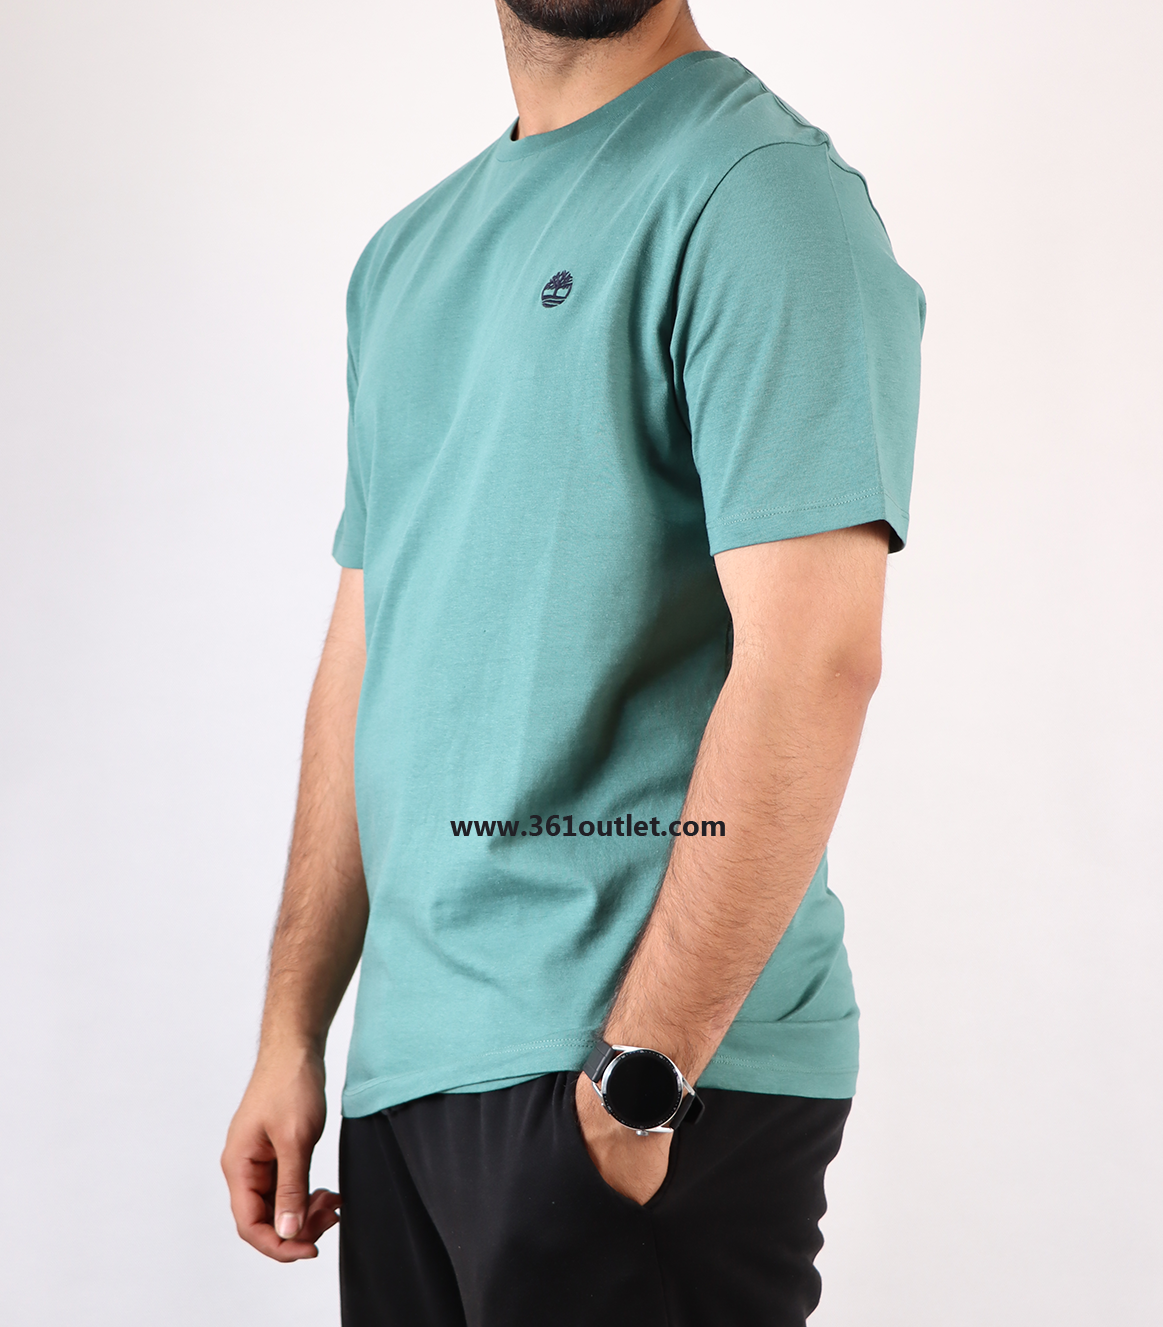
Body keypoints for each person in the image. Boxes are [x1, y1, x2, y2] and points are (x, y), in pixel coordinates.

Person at [221, 1, 925, 1322]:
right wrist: (292, 1030)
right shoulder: (403, 260)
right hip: (409, 1084)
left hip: (638, 1080)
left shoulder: (761, 195)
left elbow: (816, 658)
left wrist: (639, 1078)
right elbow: (365, 653)